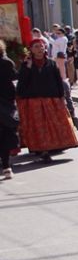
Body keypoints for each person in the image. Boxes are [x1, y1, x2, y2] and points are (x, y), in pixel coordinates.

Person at [15, 37, 78, 163]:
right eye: (36, 47)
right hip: (33, 100)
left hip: (51, 99)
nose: (39, 49)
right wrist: (27, 69)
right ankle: (43, 150)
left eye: (41, 46)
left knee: (54, 124)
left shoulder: (51, 63)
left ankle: (54, 146)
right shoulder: (26, 65)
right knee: (39, 127)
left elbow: (58, 81)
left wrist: (61, 96)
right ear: (31, 50)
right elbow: (22, 84)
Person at [0, 41, 18, 179]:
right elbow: (14, 79)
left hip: (5, 103)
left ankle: (5, 165)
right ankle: (6, 166)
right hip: (6, 104)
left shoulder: (7, 62)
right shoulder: (7, 62)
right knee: (6, 134)